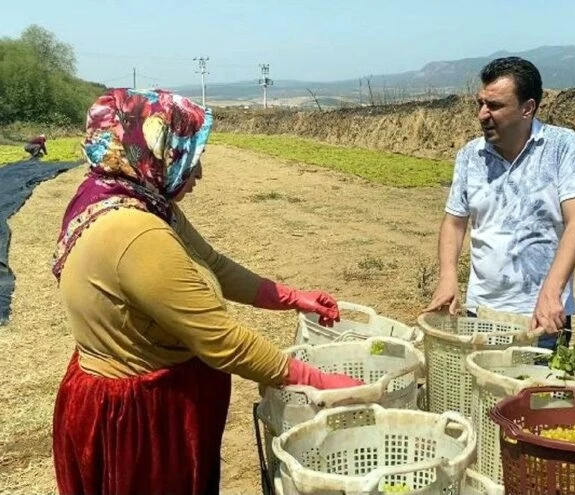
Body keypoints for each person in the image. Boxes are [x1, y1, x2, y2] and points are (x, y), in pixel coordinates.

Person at [51, 88, 362, 495]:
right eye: (189, 158)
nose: (197, 173)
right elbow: (219, 340)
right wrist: (316, 380)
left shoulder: (131, 197)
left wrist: (290, 297)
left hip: (147, 398)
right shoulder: (135, 231)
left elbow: (212, 263)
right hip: (142, 419)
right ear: (151, 149)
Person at [424, 56, 575, 350]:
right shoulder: (470, 156)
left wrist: (551, 293)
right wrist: (448, 276)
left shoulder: (562, 146)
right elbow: (454, 223)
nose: (482, 114)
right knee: (487, 392)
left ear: (528, 108)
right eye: (480, 103)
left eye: (495, 106)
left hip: (542, 315)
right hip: (483, 312)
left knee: (540, 394)